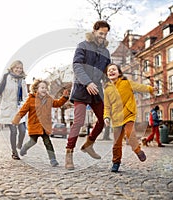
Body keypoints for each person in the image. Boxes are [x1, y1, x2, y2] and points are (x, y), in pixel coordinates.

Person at [65, 20, 111, 170]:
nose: (103, 36)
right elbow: (77, 66)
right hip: (81, 87)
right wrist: (87, 82)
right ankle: (69, 153)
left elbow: (106, 72)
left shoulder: (106, 52)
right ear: (94, 31)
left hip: (96, 90)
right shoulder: (83, 46)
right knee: (78, 121)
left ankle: (88, 144)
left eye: (105, 34)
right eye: (101, 33)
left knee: (102, 120)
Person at [103, 64, 155, 172]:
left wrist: (151, 89)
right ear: (107, 74)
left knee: (130, 134)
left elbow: (139, 87)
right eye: (109, 70)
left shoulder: (126, 83)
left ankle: (138, 150)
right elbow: (107, 106)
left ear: (119, 73)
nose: (111, 71)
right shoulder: (107, 89)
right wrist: (106, 117)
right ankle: (116, 162)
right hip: (116, 118)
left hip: (128, 114)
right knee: (116, 144)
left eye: (114, 69)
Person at [12, 79, 69, 167]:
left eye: (46, 88)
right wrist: (16, 120)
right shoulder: (31, 100)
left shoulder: (49, 99)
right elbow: (23, 111)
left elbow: (57, 103)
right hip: (34, 126)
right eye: (42, 87)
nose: (44, 89)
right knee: (32, 141)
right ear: (36, 89)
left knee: (48, 142)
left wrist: (64, 97)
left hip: (45, 127)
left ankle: (53, 159)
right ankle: (24, 148)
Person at [0, 60, 28, 160]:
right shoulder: (6, 78)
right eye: (17, 68)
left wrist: (25, 105)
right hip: (8, 109)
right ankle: (14, 152)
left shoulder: (22, 80)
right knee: (13, 131)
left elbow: (25, 96)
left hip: (19, 108)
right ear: (12, 68)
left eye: (20, 68)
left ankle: (19, 145)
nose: (18, 70)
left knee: (23, 130)